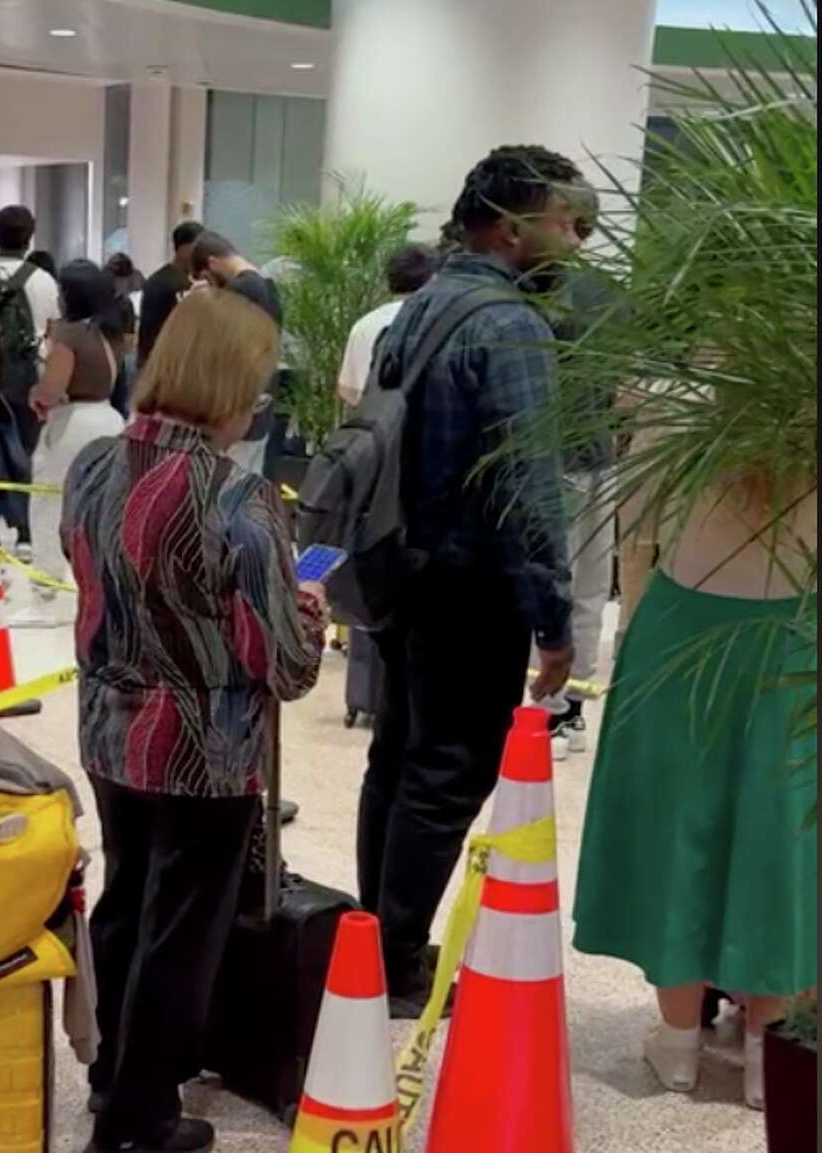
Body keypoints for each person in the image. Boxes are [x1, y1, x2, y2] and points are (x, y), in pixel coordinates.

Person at [62, 289, 326, 1153]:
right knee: (183, 926)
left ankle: (108, 1075)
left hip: (108, 723)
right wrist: (306, 612)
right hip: (204, 749)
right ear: (230, 384)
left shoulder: (93, 464)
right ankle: (142, 1116)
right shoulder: (239, 499)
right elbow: (283, 666)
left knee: (127, 893)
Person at [358, 145, 580, 1017]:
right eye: (562, 221)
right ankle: (398, 957)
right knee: (447, 772)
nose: (573, 237)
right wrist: (554, 618)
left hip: (400, 569)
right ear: (511, 222)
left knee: (398, 754)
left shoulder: (422, 305)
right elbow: (528, 486)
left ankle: (373, 937)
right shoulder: (512, 325)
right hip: (471, 582)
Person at [573, 445, 816, 1109]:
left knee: (677, 822)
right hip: (797, 624)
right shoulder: (799, 392)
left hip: (682, 623)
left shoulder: (669, 393)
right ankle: (773, 1047)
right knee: (786, 828)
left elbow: (640, 523)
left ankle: (678, 1037)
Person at [536, 186, 622, 752]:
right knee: (591, 587)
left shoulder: (545, 293)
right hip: (604, 454)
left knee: (552, 583)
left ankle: (545, 706)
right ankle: (571, 711)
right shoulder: (614, 293)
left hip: (554, 457)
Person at [13, 261, 128, 628]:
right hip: (110, 420)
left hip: (72, 425)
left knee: (47, 507)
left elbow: (53, 388)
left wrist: (37, 394)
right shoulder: (111, 333)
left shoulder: (68, 334)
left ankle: (45, 596)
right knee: (101, 511)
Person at [0, 205, 62, 555]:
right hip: (28, 382)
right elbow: (54, 334)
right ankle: (25, 533)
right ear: (30, 236)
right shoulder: (43, 280)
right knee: (26, 453)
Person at [189, 231, 283, 474]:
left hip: (238, 412)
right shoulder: (268, 285)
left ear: (212, 262)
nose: (211, 285)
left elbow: (223, 349)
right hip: (258, 404)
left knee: (228, 488)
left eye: (207, 279)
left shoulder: (241, 288)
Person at [337, 243, 440, 406]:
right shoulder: (437, 320)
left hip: (371, 423)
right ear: (434, 278)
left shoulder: (364, 325)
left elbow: (347, 390)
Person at [137, 220, 203, 371]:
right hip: (163, 363)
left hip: (151, 359)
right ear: (183, 248)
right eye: (197, 249)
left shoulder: (160, 277)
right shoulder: (177, 284)